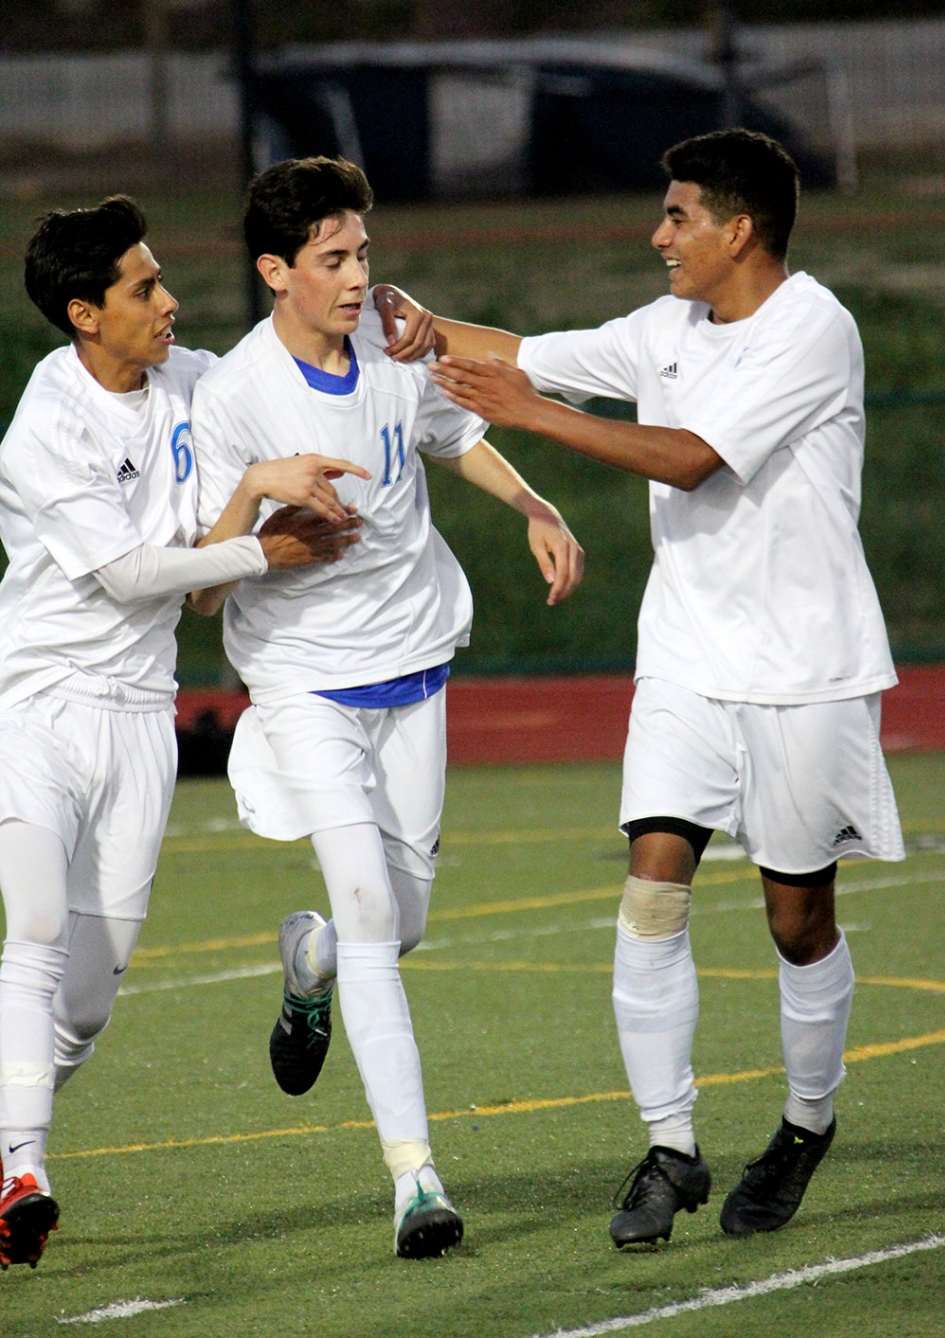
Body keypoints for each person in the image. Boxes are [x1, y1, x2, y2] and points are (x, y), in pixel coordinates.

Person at [382, 128, 904, 1246]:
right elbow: (528, 348)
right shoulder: (665, 326)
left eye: (677, 218)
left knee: (795, 918)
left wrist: (528, 414)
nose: (655, 236)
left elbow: (687, 456)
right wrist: (425, 331)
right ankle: (669, 1147)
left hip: (805, 669)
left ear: (738, 229)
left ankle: (805, 1123)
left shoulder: (813, 328)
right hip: (683, 660)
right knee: (652, 889)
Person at [187, 154, 583, 1260]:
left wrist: (534, 503)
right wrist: (262, 498)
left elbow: (452, 438)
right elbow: (207, 584)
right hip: (302, 681)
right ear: (275, 270)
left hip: (417, 669)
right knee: (373, 914)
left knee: (392, 927)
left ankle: (306, 958)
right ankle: (416, 1181)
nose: (359, 275)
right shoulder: (234, 395)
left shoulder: (393, 352)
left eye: (362, 252)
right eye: (332, 259)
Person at [0, 196, 365, 1269]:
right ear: (84, 313)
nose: (169, 302)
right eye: (143, 289)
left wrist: (367, 315)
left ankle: (3, 1141)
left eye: (162, 280)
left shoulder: (190, 381)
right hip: (37, 706)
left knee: (86, 1004)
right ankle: (22, 1168)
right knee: (33, 935)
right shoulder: (45, 428)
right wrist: (262, 550)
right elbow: (126, 576)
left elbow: (281, 365)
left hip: (140, 718)